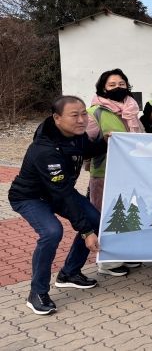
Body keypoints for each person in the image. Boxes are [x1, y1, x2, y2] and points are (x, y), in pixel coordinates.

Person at [8, 96, 105, 315]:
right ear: (57, 118)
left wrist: (107, 142)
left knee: (95, 219)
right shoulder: (45, 150)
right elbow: (63, 194)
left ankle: (70, 273)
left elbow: (86, 150)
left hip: (59, 191)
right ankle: (37, 292)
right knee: (52, 232)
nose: (81, 120)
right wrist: (86, 232)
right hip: (30, 197)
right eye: (74, 115)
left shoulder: (76, 135)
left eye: (84, 114)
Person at [86, 69, 143, 277]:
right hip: (105, 172)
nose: (117, 88)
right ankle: (107, 262)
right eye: (112, 85)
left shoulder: (132, 110)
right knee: (106, 215)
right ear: (103, 88)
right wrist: (104, 141)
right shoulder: (95, 112)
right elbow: (86, 145)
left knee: (126, 214)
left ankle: (123, 253)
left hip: (131, 172)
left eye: (121, 84)